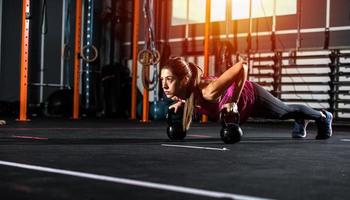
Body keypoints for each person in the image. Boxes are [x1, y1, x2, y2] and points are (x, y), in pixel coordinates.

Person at [160, 56, 333, 139]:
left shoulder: (208, 91)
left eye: (169, 79)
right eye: (162, 80)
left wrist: (233, 101)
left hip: (252, 97)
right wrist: (181, 102)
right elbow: (193, 97)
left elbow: (242, 66)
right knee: (287, 113)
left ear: (184, 80)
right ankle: (301, 119)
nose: (164, 85)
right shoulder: (189, 92)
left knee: (284, 111)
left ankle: (323, 117)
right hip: (244, 109)